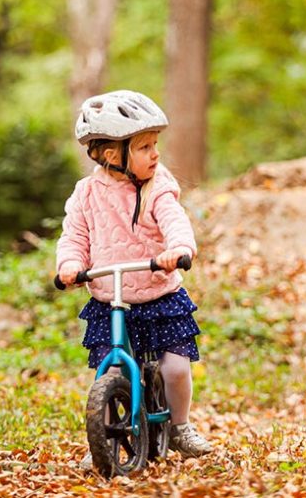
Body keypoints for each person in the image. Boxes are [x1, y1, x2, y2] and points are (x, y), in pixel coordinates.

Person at [56, 90, 213, 465]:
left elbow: (174, 220)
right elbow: (74, 235)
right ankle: (103, 442)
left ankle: (180, 426)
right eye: (144, 147)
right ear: (113, 155)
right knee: (108, 370)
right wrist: (69, 265)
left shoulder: (157, 186)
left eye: (155, 144)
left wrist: (178, 250)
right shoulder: (86, 193)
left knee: (174, 366)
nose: (155, 154)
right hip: (111, 299)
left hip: (158, 293)